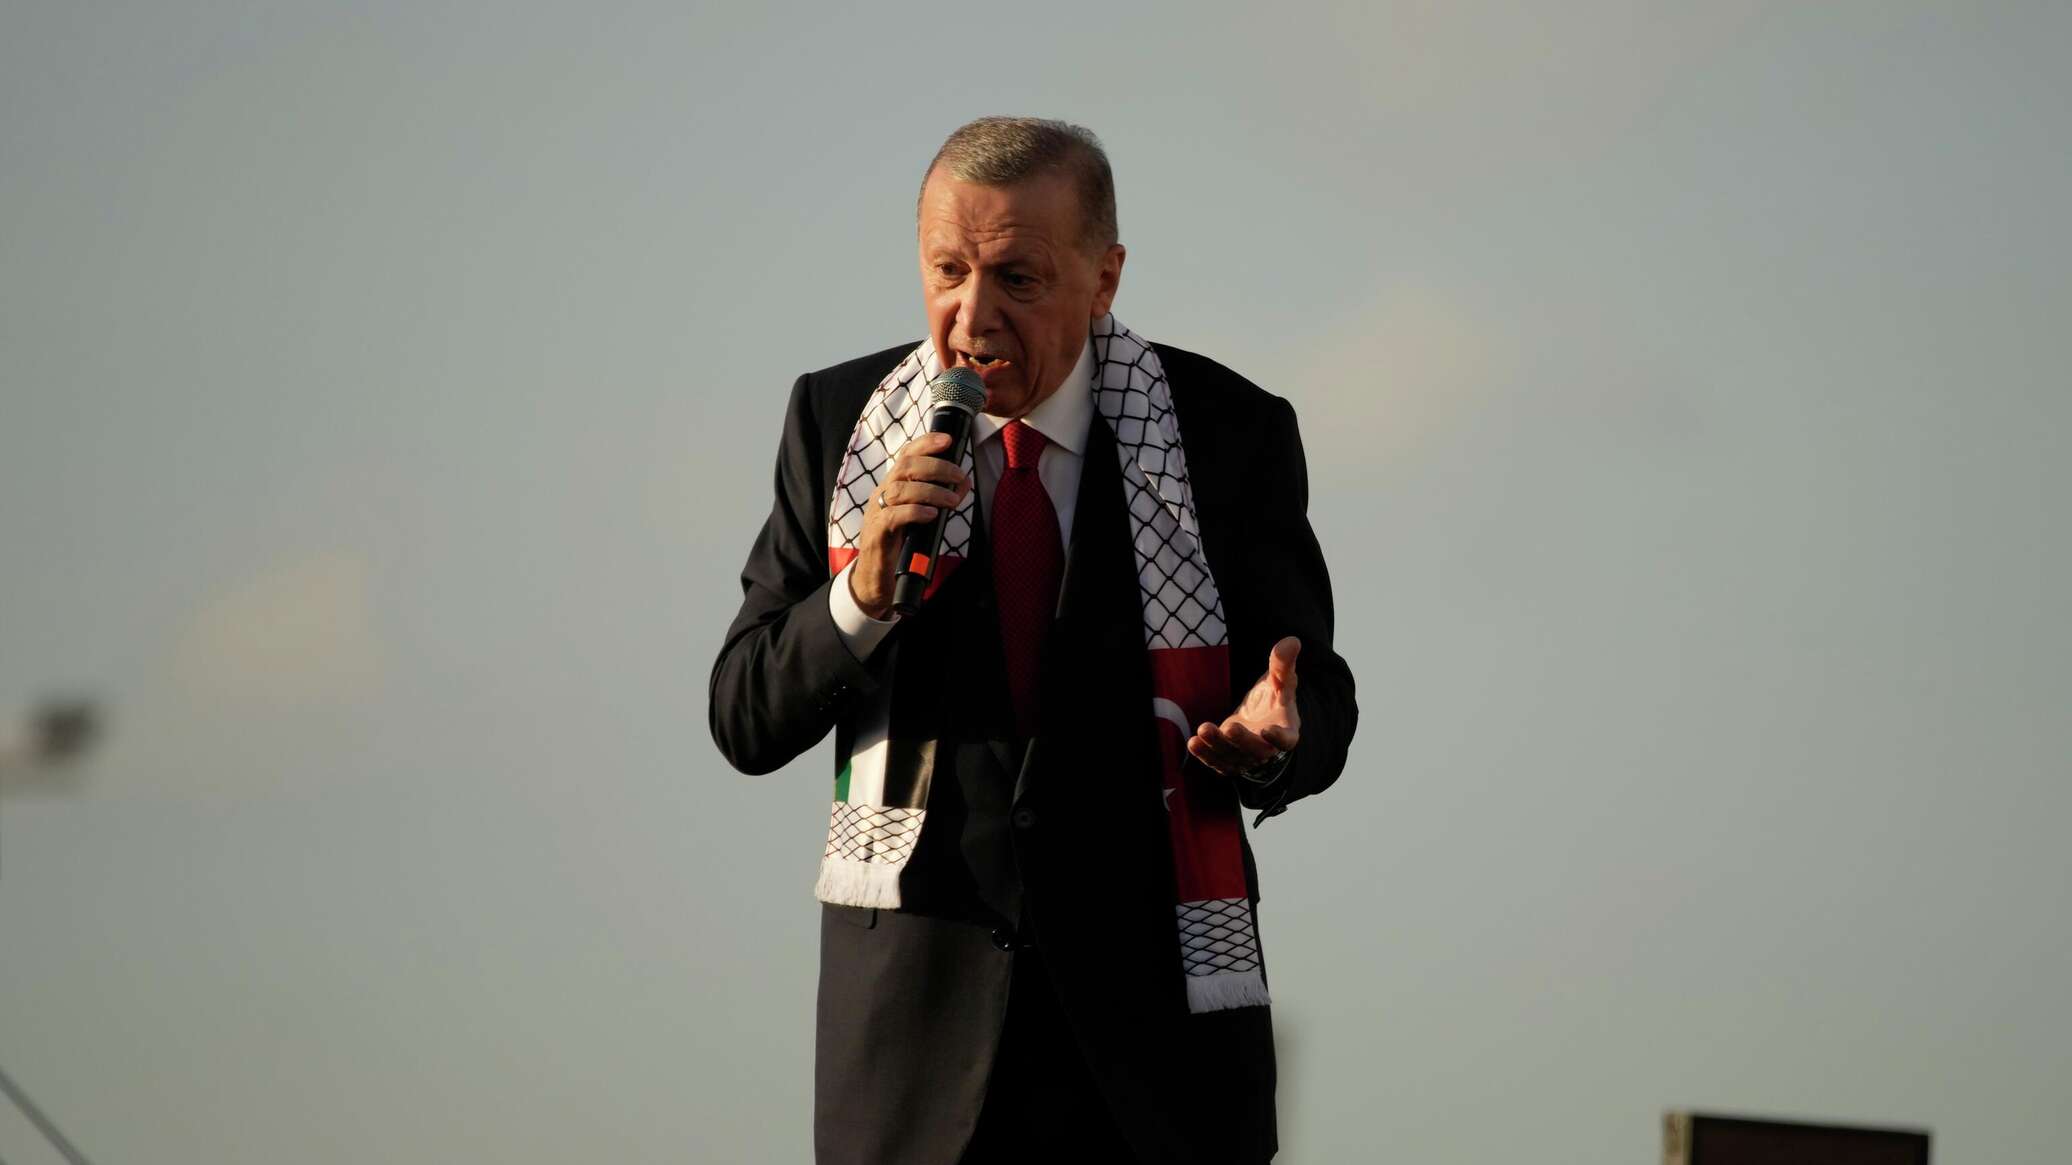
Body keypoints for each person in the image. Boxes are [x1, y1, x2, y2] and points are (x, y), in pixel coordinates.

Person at [710, 117, 1357, 1165]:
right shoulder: (838, 421)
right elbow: (743, 713)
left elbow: (1313, 692)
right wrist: (859, 597)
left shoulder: (1227, 430)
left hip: (1157, 1067)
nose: (972, 317)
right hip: (914, 1067)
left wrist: (1275, 736)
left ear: (1104, 280)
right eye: (947, 271)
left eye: (1016, 277)